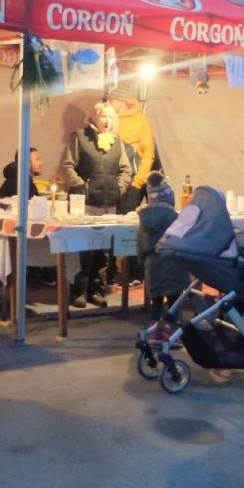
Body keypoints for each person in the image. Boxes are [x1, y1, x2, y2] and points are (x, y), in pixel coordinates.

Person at [61, 101, 131, 308]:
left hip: (109, 203)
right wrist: (80, 185)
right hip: (85, 203)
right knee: (84, 248)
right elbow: (68, 166)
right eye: (103, 117)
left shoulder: (117, 141)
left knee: (103, 248)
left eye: (110, 117)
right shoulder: (80, 137)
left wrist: (120, 187)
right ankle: (78, 291)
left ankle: (96, 290)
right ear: (93, 118)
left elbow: (126, 169)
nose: (107, 121)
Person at [136, 172, 187, 322]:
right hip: (173, 265)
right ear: (170, 198)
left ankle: (154, 330)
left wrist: (143, 266)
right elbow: (181, 242)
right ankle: (173, 330)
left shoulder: (143, 220)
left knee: (156, 304)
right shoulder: (174, 217)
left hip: (152, 266)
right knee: (173, 304)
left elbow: (140, 246)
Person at [106, 87, 157, 213]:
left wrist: (138, 182)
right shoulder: (107, 118)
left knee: (124, 221)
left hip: (131, 183)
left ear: (121, 101)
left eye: (110, 101)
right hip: (109, 183)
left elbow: (148, 153)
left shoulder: (140, 120)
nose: (107, 104)